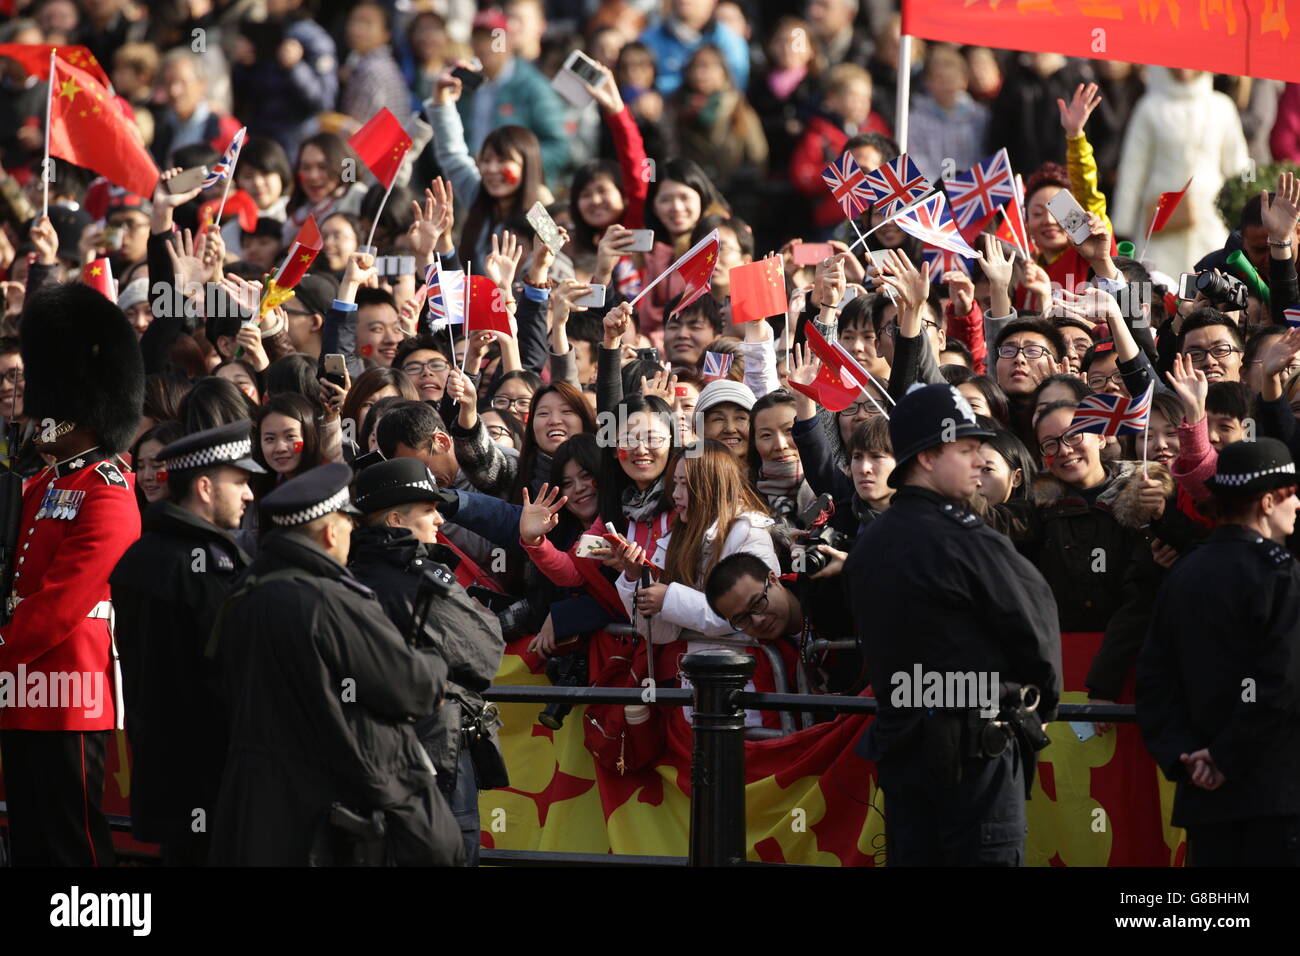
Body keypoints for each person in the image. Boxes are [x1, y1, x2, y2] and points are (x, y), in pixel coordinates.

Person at [844, 382, 1061, 866]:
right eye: (965, 449)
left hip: (904, 754)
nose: (978, 461)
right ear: (926, 457)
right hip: (975, 760)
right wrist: (1038, 704)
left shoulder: (872, 544)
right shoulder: (971, 542)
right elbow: (1036, 632)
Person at [208, 462, 464, 866]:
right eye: (348, 525)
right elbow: (408, 685)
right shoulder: (331, 600)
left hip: (255, 811)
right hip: (328, 815)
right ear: (330, 532)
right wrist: (432, 663)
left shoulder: (242, 594)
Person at [0, 281, 145, 867]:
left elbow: (62, 600)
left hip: (69, 692)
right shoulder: (41, 482)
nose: (40, 420)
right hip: (20, 688)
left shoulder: (107, 490)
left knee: (74, 846)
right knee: (31, 841)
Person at [1137, 438, 1300, 866]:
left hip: (1204, 799)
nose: (1298, 504)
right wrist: (1226, 756)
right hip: (1276, 796)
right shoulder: (1282, 574)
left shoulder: (1184, 572)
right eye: (1292, 493)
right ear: (1267, 502)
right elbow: (1281, 681)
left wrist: (1185, 756)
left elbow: (1154, 678)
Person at [109, 421, 263, 865]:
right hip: (214, 776)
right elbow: (231, 678)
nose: (249, 494)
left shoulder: (145, 555)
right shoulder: (203, 568)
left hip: (173, 777)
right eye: (240, 481)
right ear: (204, 486)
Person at [349, 457, 506, 866]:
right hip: (436, 758)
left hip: (362, 764)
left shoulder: (343, 576)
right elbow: (485, 656)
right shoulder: (422, 579)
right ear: (397, 520)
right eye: (428, 510)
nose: (439, 519)